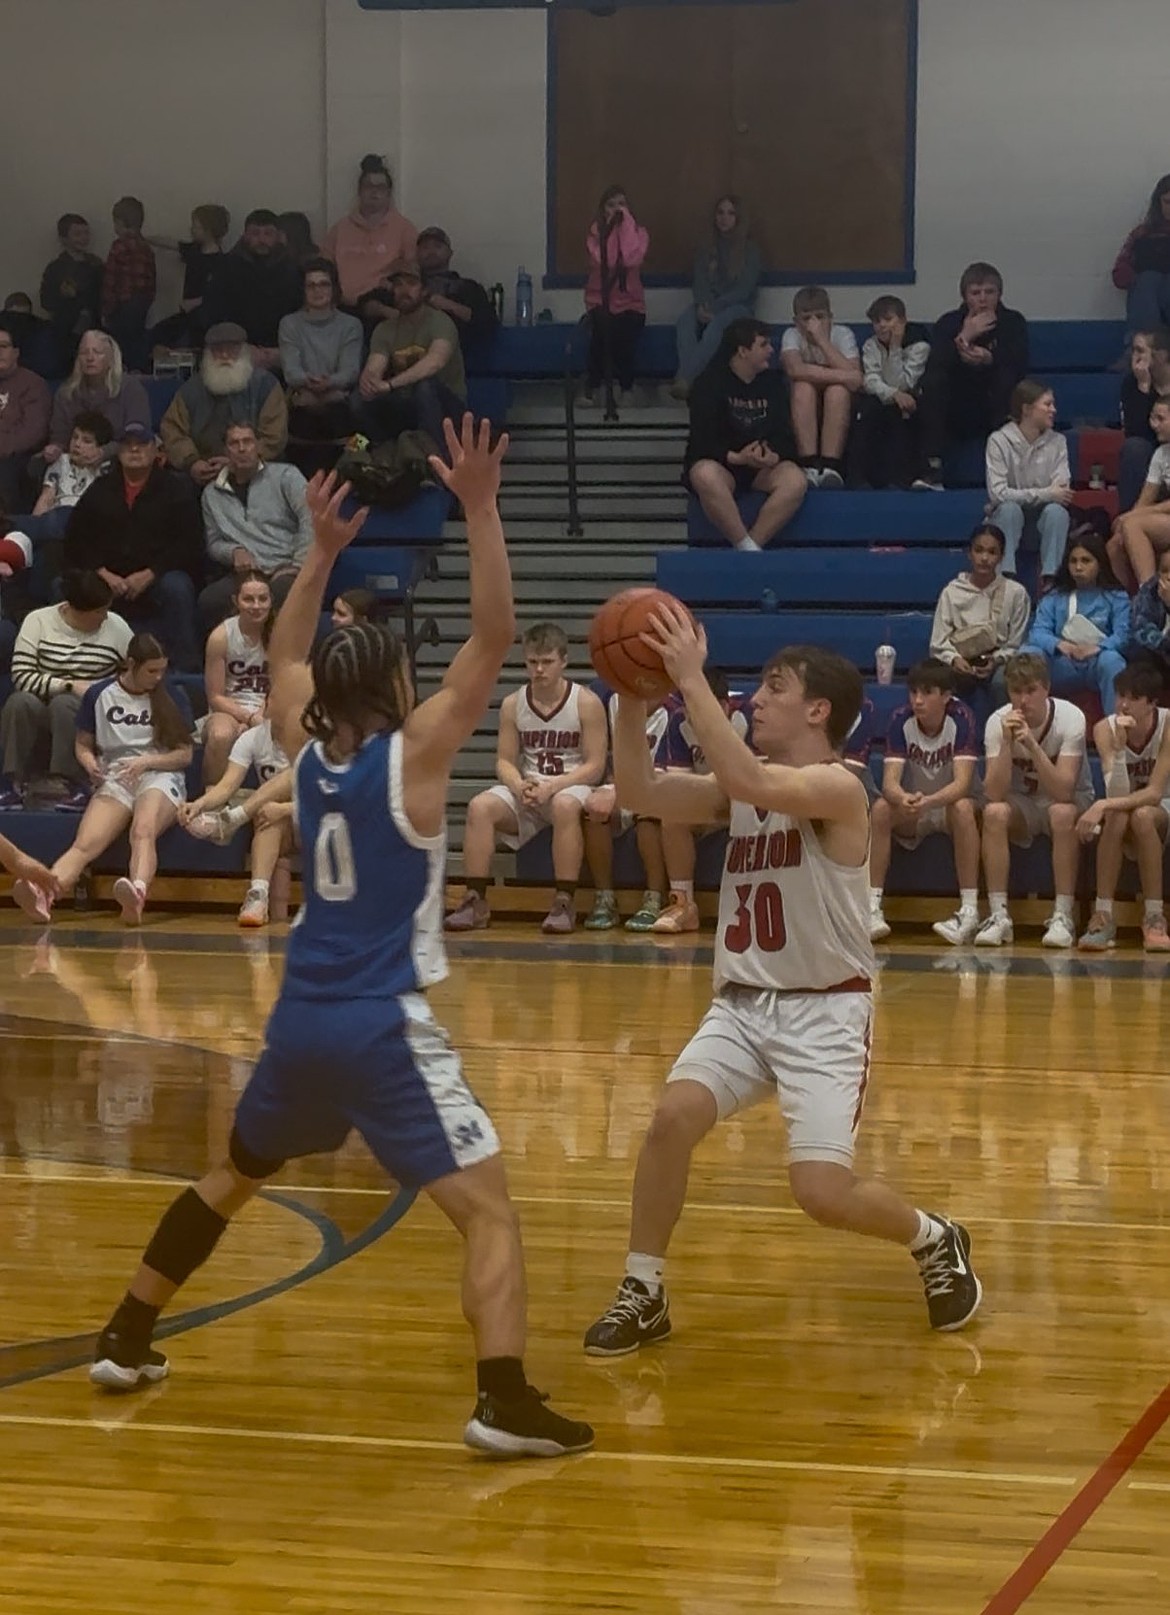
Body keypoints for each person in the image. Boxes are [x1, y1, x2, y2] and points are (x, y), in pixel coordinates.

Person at [86, 423, 594, 1460]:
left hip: (297, 1020)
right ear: (398, 691)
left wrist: (317, 553)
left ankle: (127, 1331)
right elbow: (493, 640)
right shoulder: (411, 759)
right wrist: (484, 506)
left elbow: (283, 653)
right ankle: (503, 1399)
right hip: (381, 1026)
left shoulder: (305, 752)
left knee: (230, 1176)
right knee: (490, 1213)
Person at [582, 626, 982, 1358]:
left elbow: (755, 783)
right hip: (742, 1003)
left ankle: (934, 1236)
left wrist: (690, 678)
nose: (756, 700)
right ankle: (644, 1287)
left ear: (818, 711)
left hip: (826, 1009)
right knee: (671, 1119)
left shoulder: (837, 786)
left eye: (774, 688)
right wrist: (635, 702)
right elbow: (640, 790)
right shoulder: (743, 785)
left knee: (821, 1192)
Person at [11, 632, 194, 927]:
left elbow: (184, 755)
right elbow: (83, 744)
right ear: (131, 665)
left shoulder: (171, 694)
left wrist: (147, 761)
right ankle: (45, 895)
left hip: (159, 774)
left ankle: (137, 893)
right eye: (151, 670)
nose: (158, 677)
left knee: (143, 830)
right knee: (85, 844)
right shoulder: (99, 694)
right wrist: (90, 765)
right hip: (117, 776)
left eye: (162, 669)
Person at [445, 623, 607, 935]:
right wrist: (519, 786)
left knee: (562, 804)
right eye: (532, 662)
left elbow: (595, 765)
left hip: (571, 786)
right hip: (531, 789)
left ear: (564, 661)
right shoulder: (513, 704)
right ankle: (475, 899)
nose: (539, 669)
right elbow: (504, 760)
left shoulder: (585, 702)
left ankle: (564, 901)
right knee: (480, 806)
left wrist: (552, 786)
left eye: (547, 661)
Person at [974, 652, 1094, 949]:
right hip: (1024, 803)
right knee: (994, 813)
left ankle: (1063, 915)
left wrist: (1030, 744)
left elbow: (1064, 791)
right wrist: (1006, 743)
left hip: (1070, 801)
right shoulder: (996, 722)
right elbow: (994, 793)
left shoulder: (1071, 718)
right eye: (1017, 692)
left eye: (1031, 691)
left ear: (1046, 689)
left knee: (1062, 812)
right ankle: (999, 915)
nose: (1023, 700)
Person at [63, 422, 203, 673]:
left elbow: (189, 543)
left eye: (142, 444)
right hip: (106, 577)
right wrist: (102, 573)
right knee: (64, 585)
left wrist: (152, 572)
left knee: (178, 586)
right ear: (118, 451)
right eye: (128, 445)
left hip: (157, 577)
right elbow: (76, 540)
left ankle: (186, 669)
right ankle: (69, 663)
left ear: (156, 451)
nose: (135, 450)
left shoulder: (176, 489)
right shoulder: (100, 489)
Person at [867, 660, 980, 946]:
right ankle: (871, 908)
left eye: (927, 692)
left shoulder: (962, 717)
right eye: (913, 692)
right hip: (918, 806)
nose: (917, 700)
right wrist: (901, 798)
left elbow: (962, 784)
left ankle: (969, 911)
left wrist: (928, 801)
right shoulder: (900, 720)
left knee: (964, 807)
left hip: (948, 805)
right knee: (881, 809)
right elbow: (889, 783)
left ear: (946, 696)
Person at [0, 570, 132, 811]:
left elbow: (133, 674)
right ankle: (11, 782)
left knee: (66, 704)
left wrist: (97, 691)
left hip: (93, 711)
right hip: (41, 704)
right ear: (75, 610)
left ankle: (68, 783)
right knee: (20, 701)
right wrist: (67, 685)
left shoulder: (117, 627)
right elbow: (21, 675)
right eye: (99, 612)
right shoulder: (38, 621)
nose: (105, 617)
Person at [683, 317, 807, 552]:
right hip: (726, 465)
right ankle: (743, 544)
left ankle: (751, 548)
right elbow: (701, 442)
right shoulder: (708, 384)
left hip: (762, 467)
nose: (771, 350)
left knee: (795, 480)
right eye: (763, 345)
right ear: (742, 351)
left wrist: (773, 456)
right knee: (703, 474)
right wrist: (738, 457)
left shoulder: (774, 384)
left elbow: (785, 435)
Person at [1076, 661, 1170, 953]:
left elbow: (1154, 793)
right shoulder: (1105, 728)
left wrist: (1102, 804)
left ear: (1152, 703)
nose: (1124, 704)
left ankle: (1154, 916)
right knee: (1118, 816)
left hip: (1163, 805)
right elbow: (1117, 791)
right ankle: (1103, 915)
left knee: (1141, 816)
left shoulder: (1168, 725)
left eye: (1134, 698)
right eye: (1120, 696)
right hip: (1124, 805)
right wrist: (1118, 750)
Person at [916, 263, 1030, 492]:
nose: (982, 299)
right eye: (975, 293)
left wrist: (990, 358)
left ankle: (1008, 471)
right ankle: (932, 467)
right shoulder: (949, 322)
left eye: (989, 292)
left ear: (999, 294)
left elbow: (1021, 363)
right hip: (956, 406)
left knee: (1006, 375)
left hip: (995, 403)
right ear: (965, 296)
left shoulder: (1013, 322)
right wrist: (965, 337)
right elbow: (934, 364)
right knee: (933, 382)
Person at [653, 669, 750, 933]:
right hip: (712, 799)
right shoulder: (680, 721)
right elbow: (676, 783)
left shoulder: (751, 716)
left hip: (752, 798)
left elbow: (760, 778)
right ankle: (683, 904)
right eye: (688, 704)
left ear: (723, 705)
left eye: (698, 705)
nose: (691, 713)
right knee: (673, 817)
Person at [181, 708, 291, 927]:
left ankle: (234, 818)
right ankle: (257, 897)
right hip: (275, 818)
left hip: (314, 814)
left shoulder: (315, 739)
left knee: (280, 797)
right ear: (266, 708)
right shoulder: (254, 737)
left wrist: (287, 809)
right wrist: (198, 804)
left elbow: (328, 795)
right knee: (268, 816)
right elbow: (227, 785)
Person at [198, 423, 312, 630]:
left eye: (248, 441)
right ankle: (231, 656)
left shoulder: (286, 475)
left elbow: (311, 519)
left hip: (285, 567)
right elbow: (213, 542)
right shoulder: (211, 494)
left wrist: (297, 565)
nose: (242, 448)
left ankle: (276, 657)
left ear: (258, 446)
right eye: (234, 443)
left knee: (280, 593)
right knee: (210, 600)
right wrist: (233, 552)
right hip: (245, 574)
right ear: (225, 451)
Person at [352, 262, 467, 456]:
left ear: (424, 290)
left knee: (425, 387)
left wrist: (389, 385)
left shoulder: (440, 321)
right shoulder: (385, 328)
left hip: (447, 407)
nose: (404, 290)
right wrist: (369, 381)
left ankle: (436, 463)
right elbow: (375, 365)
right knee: (358, 399)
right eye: (398, 284)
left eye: (411, 283)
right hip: (405, 403)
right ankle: (381, 454)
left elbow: (435, 362)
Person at [581, 696, 672, 933]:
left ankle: (654, 898)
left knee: (648, 812)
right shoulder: (614, 702)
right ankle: (605, 898)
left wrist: (627, 790)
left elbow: (669, 768)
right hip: (621, 784)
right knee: (595, 808)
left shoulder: (675, 707)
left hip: (662, 785)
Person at [159, 323, 289, 485]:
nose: (225, 356)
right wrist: (192, 462)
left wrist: (236, 461)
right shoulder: (191, 390)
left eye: (232, 349)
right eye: (218, 350)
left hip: (256, 471)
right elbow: (172, 430)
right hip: (203, 473)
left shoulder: (266, 385)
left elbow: (274, 437)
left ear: (244, 352)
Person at [1022, 526, 1130, 713]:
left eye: (1086, 561)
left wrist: (1098, 648)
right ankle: (1029, 722)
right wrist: (1062, 646)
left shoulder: (1116, 596)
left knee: (1112, 660)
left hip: (1096, 662)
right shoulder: (1055, 596)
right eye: (1073, 561)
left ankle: (1115, 729)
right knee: (1028, 653)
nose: (1078, 567)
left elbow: (1124, 634)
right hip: (1062, 662)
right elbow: (1037, 632)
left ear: (1100, 563)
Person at [930, 523, 1031, 719]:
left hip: (1000, 661)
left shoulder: (1016, 593)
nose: (984, 558)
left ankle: (1005, 738)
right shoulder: (952, 591)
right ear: (969, 554)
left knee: (1003, 681)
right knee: (943, 679)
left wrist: (995, 660)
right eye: (979, 551)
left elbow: (1016, 643)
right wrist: (954, 659)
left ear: (1002, 557)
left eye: (992, 552)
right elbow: (938, 642)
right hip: (960, 660)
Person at [671, 195, 762, 396]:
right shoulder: (706, 248)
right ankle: (692, 380)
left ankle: (686, 378)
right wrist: (704, 304)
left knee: (718, 324)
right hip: (709, 305)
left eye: (730, 213)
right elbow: (700, 281)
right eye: (720, 213)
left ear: (738, 218)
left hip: (739, 308)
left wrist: (716, 307)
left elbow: (743, 290)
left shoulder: (750, 250)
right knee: (686, 320)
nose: (724, 218)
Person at [984, 380, 1073, 583]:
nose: (1054, 410)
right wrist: (1046, 494)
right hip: (1006, 521)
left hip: (1040, 522)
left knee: (1057, 513)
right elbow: (998, 494)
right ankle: (1004, 578)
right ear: (1027, 409)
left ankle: (1052, 579)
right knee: (1009, 510)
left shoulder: (1058, 442)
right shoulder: (998, 440)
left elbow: (1062, 492)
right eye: (1047, 404)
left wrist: (1047, 495)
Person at [779, 286, 863, 488]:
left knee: (837, 391)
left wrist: (822, 341)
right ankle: (808, 465)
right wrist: (843, 375)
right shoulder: (791, 335)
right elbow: (795, 370)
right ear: (796, 321)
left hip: (838, 403)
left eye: (820, 317)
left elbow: (856, 379)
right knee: (803, 387)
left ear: (830, 317)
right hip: (805, 403)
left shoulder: (842, 334)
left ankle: (830, 466)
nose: (813, 324)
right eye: (806, 318)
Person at [279, 259, 364, 451]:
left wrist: (329, 384)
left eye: (324, 284)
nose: (318, 291)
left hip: (341, 398)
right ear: (303, 290)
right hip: (302, 396)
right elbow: (291, 372)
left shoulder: (351, 324)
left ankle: (354, 464)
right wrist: (311, 383)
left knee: (357, 426)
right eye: (311, 285)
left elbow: (350, 372)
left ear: (334, 289)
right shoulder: (289, 323)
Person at [204, 210, 302, 368]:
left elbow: (301, 317)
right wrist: (241, 347)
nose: (261, 239)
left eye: (268, 233)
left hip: (284, 353)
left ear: (279, 236)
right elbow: (213, 314)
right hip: (234, 352)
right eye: (255, 233)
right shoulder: (226, 269)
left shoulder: (293, 271)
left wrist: (282, 351)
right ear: (244, 235)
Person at [201, 570, 272, 785]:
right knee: (221, 736)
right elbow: (215, 696)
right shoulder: (221, 636)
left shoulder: (281, 633)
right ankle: (211, 803)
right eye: (249, 599)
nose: (257, 606)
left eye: (263, 599)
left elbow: (281, 687)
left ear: (271, 601)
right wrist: (248, 718)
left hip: (270, 706)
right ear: (236, 601)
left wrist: (260, 716)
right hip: (229, 708)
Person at [854, 295, 931, 490]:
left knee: (902, 413)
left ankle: (901, 480)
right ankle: (860, 479)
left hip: (913, 399)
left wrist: (895, 347)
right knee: (867, 410)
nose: (881, 326)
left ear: (903, 321)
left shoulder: (920, 346)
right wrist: (893, 394)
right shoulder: (871, 345)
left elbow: (903, 382)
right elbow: (871, 380)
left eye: (888, 320)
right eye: (876, 321)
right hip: (883, 400)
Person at [322, 154, 418, 310]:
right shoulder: (339, 229)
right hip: (342, 309)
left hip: (384, 308)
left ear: (388, 192)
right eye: (369, 186)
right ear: (359, 191)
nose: (374, 192)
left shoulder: (404, 229)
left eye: (380, 187)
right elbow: (324, 269)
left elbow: (412, 273)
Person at [583, 186, 649, 407]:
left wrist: (626, 227)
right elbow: (608, 261)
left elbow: (631, 259)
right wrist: (611, 232)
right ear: (602, 210)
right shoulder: (594, 236)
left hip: (631, 304)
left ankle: (627, 387)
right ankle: (593, 387)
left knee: (625, 332)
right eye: (611, 205)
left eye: (622, 204)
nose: (617, 210)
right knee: (603, 329)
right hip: (600, 301)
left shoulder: (640, 234)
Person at [45, 331, 151, 463]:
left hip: (120, 461)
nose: (90, 358)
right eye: (84, 352)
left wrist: (104, 452)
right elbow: (60, 437)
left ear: (110, 358)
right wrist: (55, 449)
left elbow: (137, 435)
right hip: (75, 462)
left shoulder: (131, 389)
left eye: (98, 352)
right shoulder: (66, 393)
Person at [148, 204, 232, 352]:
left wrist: (197, 302)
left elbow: (218, 293)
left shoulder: (221, 262)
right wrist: (146, 238)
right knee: (156, 334)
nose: (192, 230)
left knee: (185, 343)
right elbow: (170, 243)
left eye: (196, 227)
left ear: (208, 230)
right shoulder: (194, 250)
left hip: (202, 319)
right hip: (186, 315)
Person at [416, 227, 497, 357]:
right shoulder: (404, 286)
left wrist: (449, 305)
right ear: (416, 253)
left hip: (457, 359)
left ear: (450, 253)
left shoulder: (468, 288)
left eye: (437, 246)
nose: (431, 252)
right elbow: (372, 306)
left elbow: (488, 323)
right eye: (425, 247)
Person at [28, 411, 111, 539]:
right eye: (75, 437)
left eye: (86, 441)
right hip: (56, 520)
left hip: (88, 522)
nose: (77, 444)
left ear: (100, 448)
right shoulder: (61, 461)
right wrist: (32, 530)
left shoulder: (106, 469)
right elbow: (46, 498)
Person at [1115, 397, 1170, 586]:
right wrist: (1128, 518)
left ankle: (1149, 598)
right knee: (1115, 542)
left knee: (1133, 525)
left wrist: (1132, 517)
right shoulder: (1161, 454)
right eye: (1152, 418)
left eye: (1160, 419)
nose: (1154, 425)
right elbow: (1146, 499)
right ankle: (1120, 605)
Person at [39, 214, 104, 368]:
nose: (83, 238)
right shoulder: (55, 269)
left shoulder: (96, 265)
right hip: (65, 333)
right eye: (77, 234)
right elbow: (46, 301)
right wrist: (61, 294)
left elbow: (104, 295)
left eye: (86, 233)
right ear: (63, 239)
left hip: (94, 329)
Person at [0, 320, 51, 511]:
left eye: (3, 346)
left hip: (15, 458)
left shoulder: (33, 384)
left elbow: (32, 433)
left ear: (16, 353)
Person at [101, 197, 156, 373]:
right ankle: (138, 371)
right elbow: (152, 278)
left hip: (122, 305)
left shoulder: (118, 247)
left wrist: (106, 310)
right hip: (141, 303)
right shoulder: (146, 247)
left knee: (120, 344)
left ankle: (120, 373)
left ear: (119, 222)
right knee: (137, 340)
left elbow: (111, 280)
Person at [1118, 329, 1170, 512]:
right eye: (1133, 351)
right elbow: (1134, 432)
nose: (1135, 357)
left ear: (1161, 355)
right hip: (1152, 451)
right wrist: (1144, 388)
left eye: (1140, 351)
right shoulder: (1132, 383)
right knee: (1134, 448)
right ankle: (1126, 521)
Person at [1112, 175, 1170, 337]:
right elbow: (1119, 274)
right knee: (1148, 280)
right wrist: (1135, 278)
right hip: (1148, 292)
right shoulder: (1142, 233)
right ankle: (1145, 349)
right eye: (1167, 202)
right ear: (1158, 203)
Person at [1126, 545, 1170, 685]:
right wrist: (1163, 644)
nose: (1169, 576)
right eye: (1164, 571)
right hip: (1159, 655)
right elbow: (1140, 628)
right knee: (1138, 653)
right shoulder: (1149, 591)